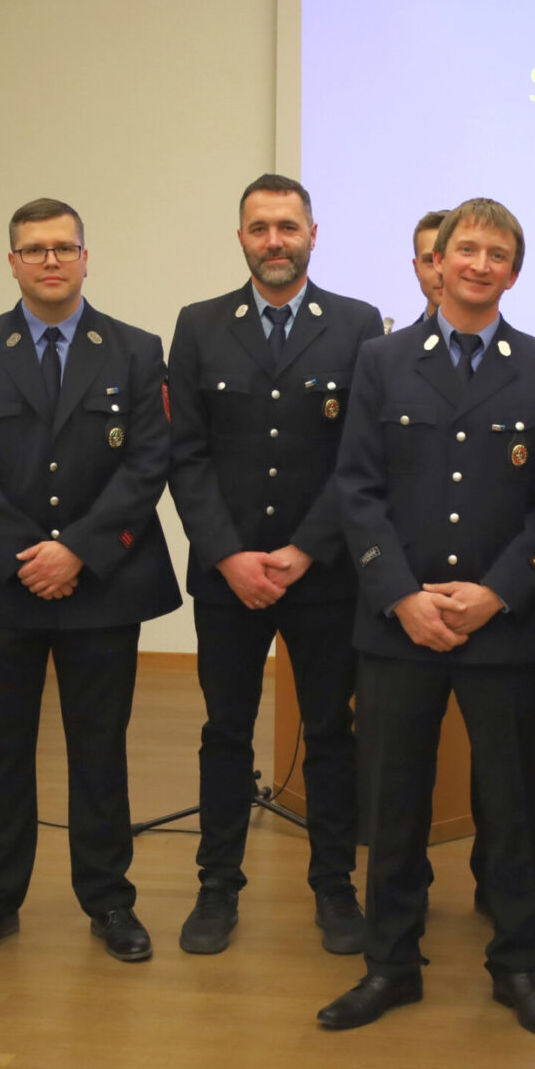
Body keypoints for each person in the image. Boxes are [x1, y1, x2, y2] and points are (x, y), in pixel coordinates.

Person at [317, 198, 535, 1036]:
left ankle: (518, 966)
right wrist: (401, 594)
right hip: (399, 626)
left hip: (502, 626)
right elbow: (356, 488)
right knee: (394, 803)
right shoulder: (382, 360)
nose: (479, 263)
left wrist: (496, 593)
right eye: (467, 248)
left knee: (511, 805)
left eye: (498, 253)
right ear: (438, 260)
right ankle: (390, 965)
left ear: (514, 271)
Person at [0, 198, 180, 966]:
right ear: (12, 262)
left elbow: (149, 461)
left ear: (85, 258)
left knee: (99, 750)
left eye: (63, 247)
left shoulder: (135, 350)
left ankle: (109, 900)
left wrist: (76, 552)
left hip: (103, 584)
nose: (50, 260)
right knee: (0, 751)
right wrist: (19, 553)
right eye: (34, 249)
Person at [167, 175, 383, 955]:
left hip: (323, 575)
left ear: (313, 234)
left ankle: (335, 886)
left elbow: (360, 454)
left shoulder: (357, 325)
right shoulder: (198, 325)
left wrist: (304, 549)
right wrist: (228, 554)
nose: (274, 241)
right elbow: (186, 454)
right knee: (225, 730)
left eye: (288, 226)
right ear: (241, 238)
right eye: (259, 228)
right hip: (228, 577)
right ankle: (217, 886)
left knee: (329, 731)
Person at [409, 209, 448, 324]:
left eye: (449, 259)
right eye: (430, 261)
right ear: (416, 269)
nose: (441, 271)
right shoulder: (398, 338)